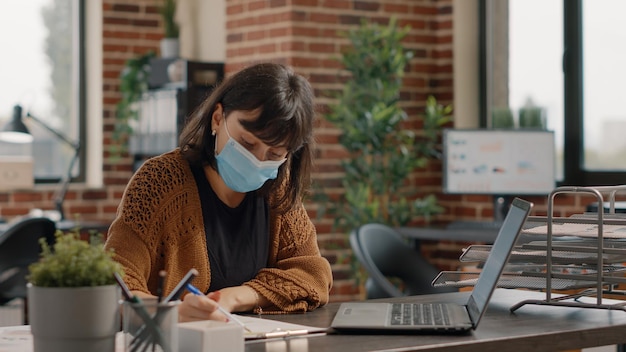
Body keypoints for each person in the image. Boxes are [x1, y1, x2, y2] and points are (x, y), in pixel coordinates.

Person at [104, 62, 333, 322]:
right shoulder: (158, 181)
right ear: (217, 118)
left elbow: (313, 273)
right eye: (247, 143)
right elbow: (115, 284)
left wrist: (235, 297)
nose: (257, 160)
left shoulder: (277, 190)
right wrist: (172, 313)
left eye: (274, 154)